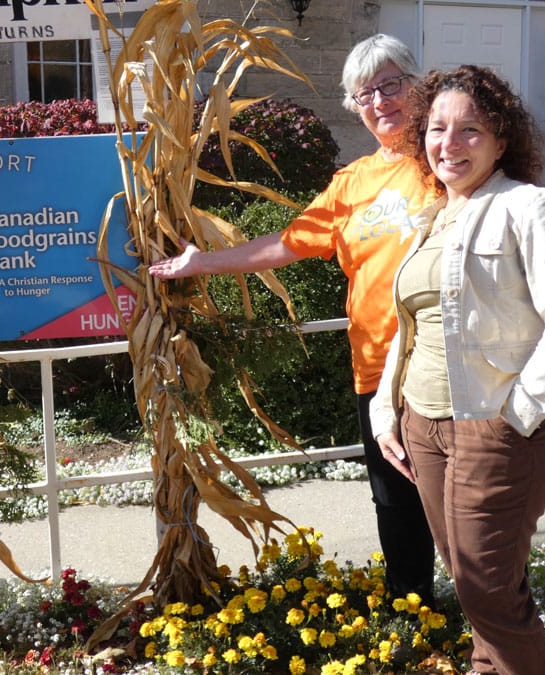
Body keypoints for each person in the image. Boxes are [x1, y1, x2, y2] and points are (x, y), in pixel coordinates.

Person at [148, 34, 437, 602]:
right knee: (394, 503)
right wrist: (200, 261)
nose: (380, 101)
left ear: (418, 83)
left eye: (391, 84)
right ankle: (417, 614)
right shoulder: (351, 183)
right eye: (365, 93)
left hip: (443, 367)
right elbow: (287, 243)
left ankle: (497, 630)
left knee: (461, 503)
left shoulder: (445, 161)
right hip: (377, 370)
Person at [369, 65, 545, 675]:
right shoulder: (431, 220)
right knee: (474, 583)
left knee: (488, 591)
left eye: (471, 130)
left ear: (502, 140)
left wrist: (517, 416)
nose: (450, 144)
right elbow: (412, 325)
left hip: (496, 429)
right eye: (438, 129)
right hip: (426, 430)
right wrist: (387, 410)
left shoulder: (533, 209)